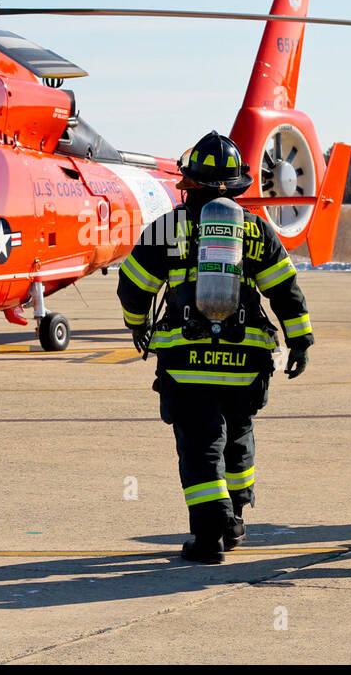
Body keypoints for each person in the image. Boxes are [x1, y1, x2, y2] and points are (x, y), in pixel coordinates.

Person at [118, 131, 313, 564]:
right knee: (237, 436)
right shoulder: (255, 229)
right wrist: (299, 341)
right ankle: (236, 522)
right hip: (245, 360)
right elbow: (285, 290)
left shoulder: (168, 228)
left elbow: (133, 286)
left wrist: (138, 327)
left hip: (187, 364)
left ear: (189, 184)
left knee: (200, 445)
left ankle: (208, 537)